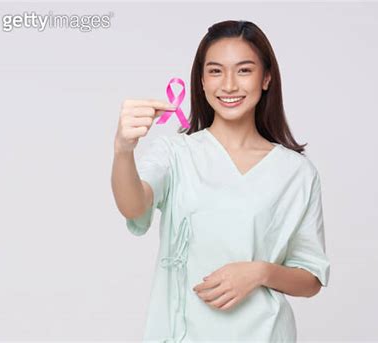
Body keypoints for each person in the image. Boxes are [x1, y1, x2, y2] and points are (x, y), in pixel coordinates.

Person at [111, 20, 330, 343]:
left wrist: (260, 272)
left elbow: (311, 278)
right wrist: (123, 150)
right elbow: (133, 206)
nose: (228, 85)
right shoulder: (176, 154)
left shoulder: (296, 173)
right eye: (215, 71)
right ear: (201, 81)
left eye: (244, 71)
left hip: (264, 333)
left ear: (266, 78)